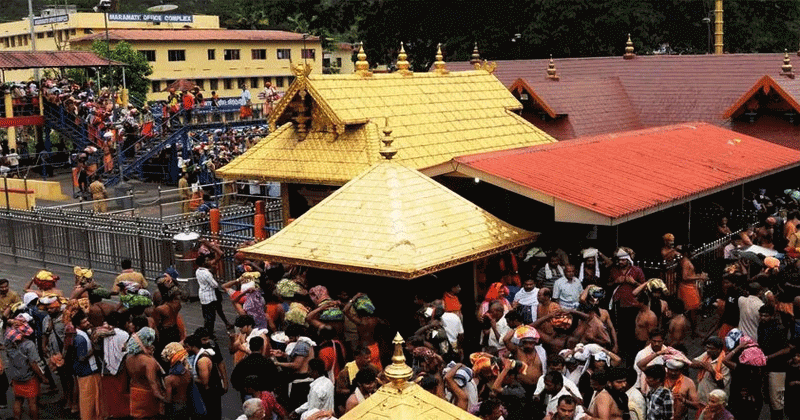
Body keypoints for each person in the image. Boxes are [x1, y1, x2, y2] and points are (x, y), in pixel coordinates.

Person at [6, 313, 47, 420]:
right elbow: (34, 363)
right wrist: (43, 377)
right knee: (32, 402)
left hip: (15, 377)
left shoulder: (8, 343)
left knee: (18, 400)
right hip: (29, 377)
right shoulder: (29, 345)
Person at [757, 304, 791, 420]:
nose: (762, 317)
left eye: (765, 315)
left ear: (772, 316)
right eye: (761, 315)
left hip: (778, 367)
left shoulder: (779, 329)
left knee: (776, 399)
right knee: (769, 397)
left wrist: (768, 357)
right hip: (765, 366)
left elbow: (786, 349)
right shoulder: (761, 325)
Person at [125, 327, 164, 419]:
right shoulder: (149, 361)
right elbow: (152, 382)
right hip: (147, 395)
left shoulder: (129, 357)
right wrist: (162, 398)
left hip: (134, 392)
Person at [72, 310, 102, 420]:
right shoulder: (80, 339)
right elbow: (81, 358)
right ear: (78, 325)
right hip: (87, 373)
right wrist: (93, 349)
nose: (87, 323)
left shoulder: (82, 334)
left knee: (93, 399)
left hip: (88, 372)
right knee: (88, 402)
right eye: (84, 322)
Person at [186, 333, 224, 420]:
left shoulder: (202, 360)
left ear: (190, 346)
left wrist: (191, 378)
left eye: (186, 347)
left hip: (209, 395)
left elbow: (205, 382)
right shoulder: (202, 354)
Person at [689, 336, 730, 412]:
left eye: (711, 348)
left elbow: (722, 384)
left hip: (715, 404)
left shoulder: (725, 362)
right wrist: (702, 365)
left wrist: (712, 371)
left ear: (719, 349)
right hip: (702, 401)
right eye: (707, 347)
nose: (708, 350)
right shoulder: (707, 355)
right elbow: (692, 363)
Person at [196, 254, 234, 336]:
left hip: (203, 295)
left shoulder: (198, 271)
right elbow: (215, 284)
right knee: (211, 316)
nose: (208, 262)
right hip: (210, 296)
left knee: (206, 315)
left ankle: (208, 331)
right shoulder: (206, 273)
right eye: (206, 261)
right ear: (203, 263)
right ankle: (209, 333)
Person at [161, 341, 193, 419]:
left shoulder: (169, 379)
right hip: (186, 406)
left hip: (174, 408)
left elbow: (168, 399)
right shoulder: (188, 373)